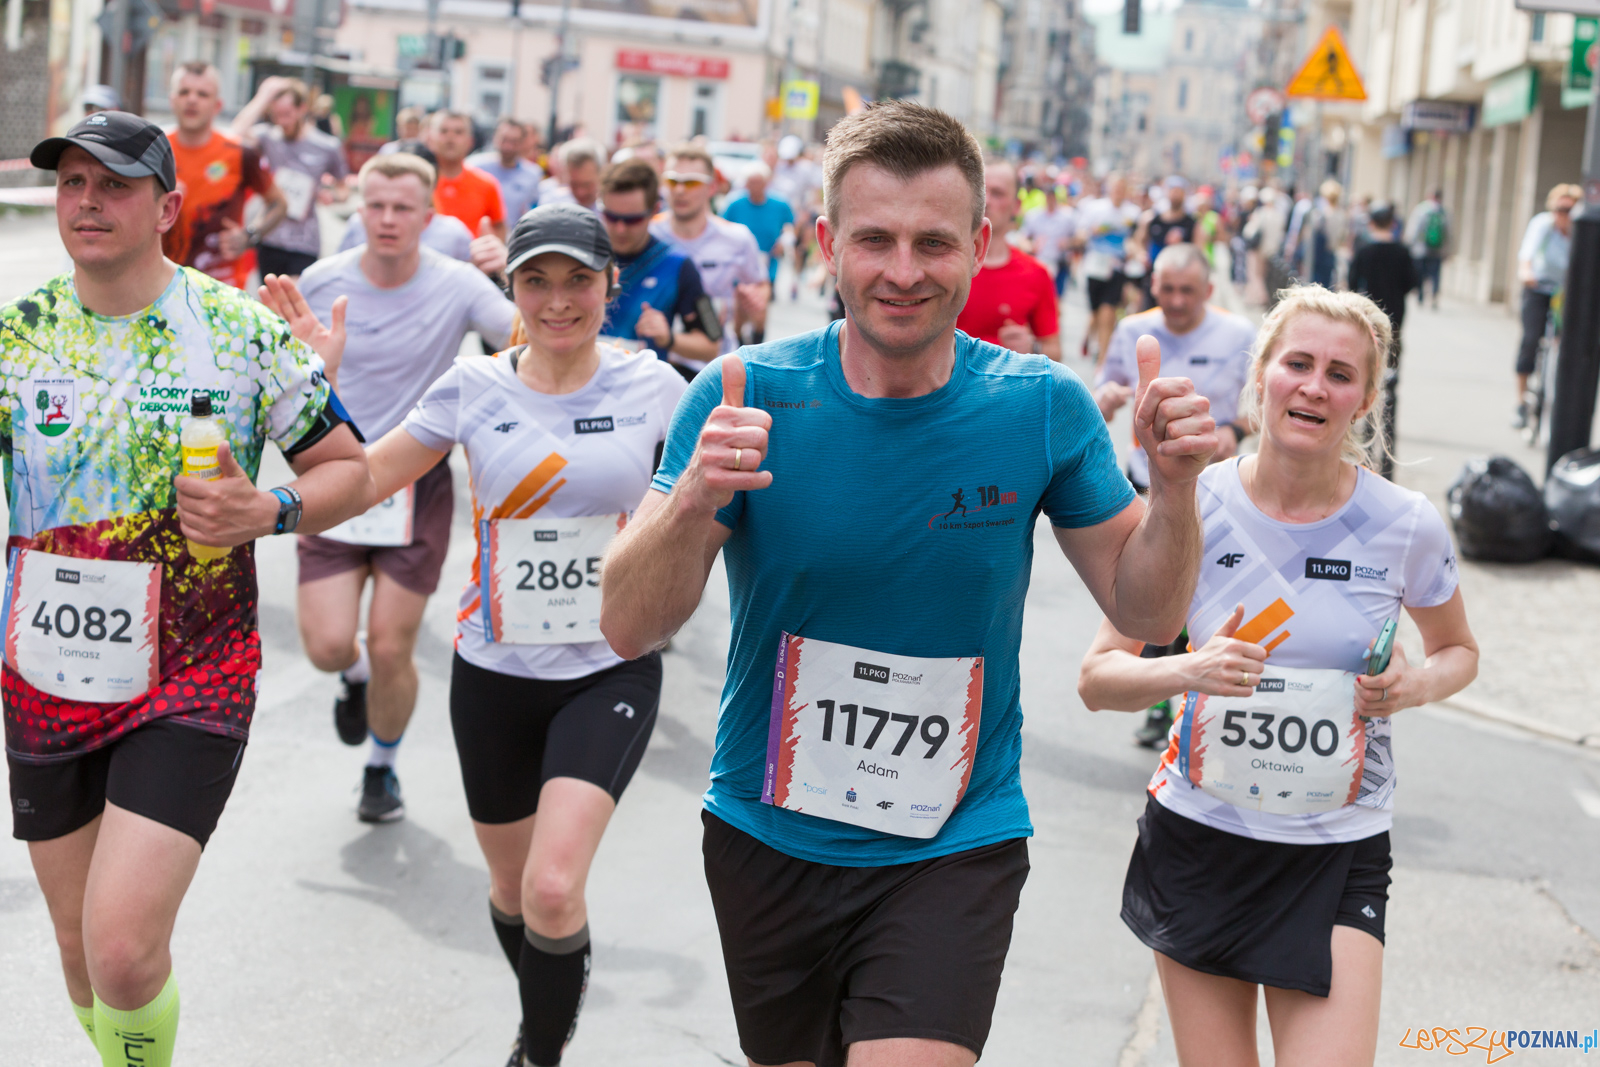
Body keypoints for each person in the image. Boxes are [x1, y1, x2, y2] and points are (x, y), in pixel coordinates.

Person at [599, 99, 1218, 1067]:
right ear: (824, 244)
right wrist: (687, 507)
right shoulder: (741, 393)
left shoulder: (1041, 407)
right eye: (873, 239)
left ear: (979, 244)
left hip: (953, 837)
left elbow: (1150, 612)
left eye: (932, 242)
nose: (901, 271)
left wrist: (1174, 493)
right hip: (767, 834)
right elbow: (627, 626)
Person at [5, 111, 371, 1067]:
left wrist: (269, 510)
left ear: (168, 207)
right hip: (43, 674)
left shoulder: (240, 331)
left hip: (191, 674)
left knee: (124, 949)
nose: (89, 202)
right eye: (74, 182)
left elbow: (350, 467)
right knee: (83, 956)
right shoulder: (18, 334)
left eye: (115, 184)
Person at [1078, 285, 1477, 1067]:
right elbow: (1098, 677)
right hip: (1201, 839)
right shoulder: (1193, 503)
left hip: (1337, 846)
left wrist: (1413, 684)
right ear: (1260, 374)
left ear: (1364, 398)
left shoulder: (1405, 524)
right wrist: (1187, 669)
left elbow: (1459, 649)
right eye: (1297, 363)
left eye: (1339, 373)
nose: (1314, 386)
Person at [358, 204, 685, 1067]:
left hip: (607, 666)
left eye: (579, 278)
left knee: (550, 886)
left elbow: (735, 499)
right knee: (513, 891)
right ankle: (546, 995)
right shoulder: (474, 387)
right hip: (493, 669)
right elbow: (368, 473)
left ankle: (538, 1054)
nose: (559, 299)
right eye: (536, 280)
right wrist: (270, 501)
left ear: (610, 286)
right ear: (512, 291)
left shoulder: (655, 387)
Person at [268, 152, 516, 822]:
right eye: (374, 205)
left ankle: (382, 768)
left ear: (429, 217)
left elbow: (529, 343)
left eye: (402, 207)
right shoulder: (321, 281)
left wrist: (509, 273)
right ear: (358, 208)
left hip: (414, 482)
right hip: (334, 478)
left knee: (390, 643)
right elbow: (271, 377)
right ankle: (352, 680)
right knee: (327, 646)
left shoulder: (461, 282)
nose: (386, 219)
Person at [1093, 243, 1257, 747]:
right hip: (1146, 484)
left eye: (1188, 291)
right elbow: (1104, 391)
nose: (1177, 300)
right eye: (1167, 289)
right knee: (1152, 603)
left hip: (1220, 488)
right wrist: (1106, 398)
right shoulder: (1132, 330)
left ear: (1209, 290)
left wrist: (1230, 427)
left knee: (1199, 603)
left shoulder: (1238, 334)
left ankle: (1194, 704)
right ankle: (1160, 706)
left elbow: (1260, 408)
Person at [163, 61, 288, 290]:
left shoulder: (240, 152)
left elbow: (279, 203)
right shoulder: (154, 149)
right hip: (162, 284)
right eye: (184, 92)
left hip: (221, 288)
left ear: (217, 105)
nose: (192, 99)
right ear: (172, 100)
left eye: (202, 94)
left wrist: (250, 235)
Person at [598, 157, 721, 376]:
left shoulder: (679, 265)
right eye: (611, 217)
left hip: (640, 392)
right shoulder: (584, 256)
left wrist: (669, 338)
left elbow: (712, 345)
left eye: (632, 220)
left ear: (655, 209)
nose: (620, 229)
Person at [650, 142, 768, 361]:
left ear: (712, 188)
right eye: (672, 181)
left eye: (692, 182)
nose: (680, 190)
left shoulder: (737, 238)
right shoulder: (649, 234)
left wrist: (754, 299)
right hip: (657, 360)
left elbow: (759, 285)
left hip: (714, 363)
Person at [232, 76, 350, 279]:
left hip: (304, 242)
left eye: (287, 114)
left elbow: (343, 189)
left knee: (291, 301)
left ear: (302, 109)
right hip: (270, 235)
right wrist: (263, 96)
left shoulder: (327, 146)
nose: (282, 122)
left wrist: (331, 195)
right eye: (277, 115)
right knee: (268, 304)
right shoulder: (269, 137)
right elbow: (234, 136)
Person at [956, 159, 1061, 359]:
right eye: (980, 191)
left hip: (1003, 389)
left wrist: (1033, 348)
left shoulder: (1036, 274)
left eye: (997, 193)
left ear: (1016, 206)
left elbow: (1055, 352)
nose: (986, 201)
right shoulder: (940, 263)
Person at [1513, 183, 1579, 428]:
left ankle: (1559, 397)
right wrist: (1525, 271)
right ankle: (1520, 402)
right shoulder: (1543, 225)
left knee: (1567, 345)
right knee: (1530, 340)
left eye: (1570, 210)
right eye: (1559, 209)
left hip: (1565, 294)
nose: (1563, 215)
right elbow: (1527, 253)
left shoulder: (1580, 231)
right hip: (1538, 287)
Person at [1077, 171, 1142, 362]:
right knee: (1095, 312)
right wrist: (1092, 232)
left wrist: (1134, 251)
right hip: (1095, 266)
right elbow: (1081, 232)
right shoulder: (1094, 208)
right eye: (1115, 188)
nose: (1118, 192)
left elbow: (1134, 239)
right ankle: (1089, 335)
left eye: (1122, 188)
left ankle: (1103, 359)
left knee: (1108, 311)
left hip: (1116, 268)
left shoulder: (1132, 213)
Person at [427, 109, 506, 241]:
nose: (450, 137)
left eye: (458, 132)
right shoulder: (418, 183)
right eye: (443, 131)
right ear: (430, 139)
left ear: (470, 141)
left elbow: (498, 228)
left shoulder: (487, 184)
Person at [721, 162, 796, 288]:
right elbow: (722, 225)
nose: (755, 187)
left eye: (759, 182)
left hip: (768, 260)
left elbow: (789, 226)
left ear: (766, 183)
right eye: (751, 182)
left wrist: (784, 242)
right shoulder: (734, 203)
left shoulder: (780, 204)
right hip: (739, 262)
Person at [469, 116, 544, 221]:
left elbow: (533, 209)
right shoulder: (475, 166)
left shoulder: (532, 174)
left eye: (514, 142)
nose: (508, 146)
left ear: (522, 143)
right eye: (504, 140)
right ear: (495, 137)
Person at [1021, 183, 1077, 297]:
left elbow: (1078, 237)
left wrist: (1068, 243)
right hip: (1039, 260)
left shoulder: (1068, 216)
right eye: (1047, 196)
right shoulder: (1034, 215)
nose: (1050, 199)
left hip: (1059, 262)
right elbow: (1023, 236)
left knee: (1055, 297)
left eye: (1052, 196)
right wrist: (1030, 246)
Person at [1403, 189, 1449, 309]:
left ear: (1430, 196)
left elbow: (1414, 228)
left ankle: (1421, 297)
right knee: (1435, 274)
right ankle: (1434, 295)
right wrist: (1446, 249)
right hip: (1437, 250)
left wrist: (1410, 244)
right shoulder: (1444, 212)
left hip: (1420, 249)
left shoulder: (1421, 209)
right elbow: (1448, 232)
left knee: (1421, 273)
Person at [540, 139, 606, 212]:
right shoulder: (552, 205)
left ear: (601, 175)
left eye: (587, 185)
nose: (580, 192)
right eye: (574, 184)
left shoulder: (611, 210)